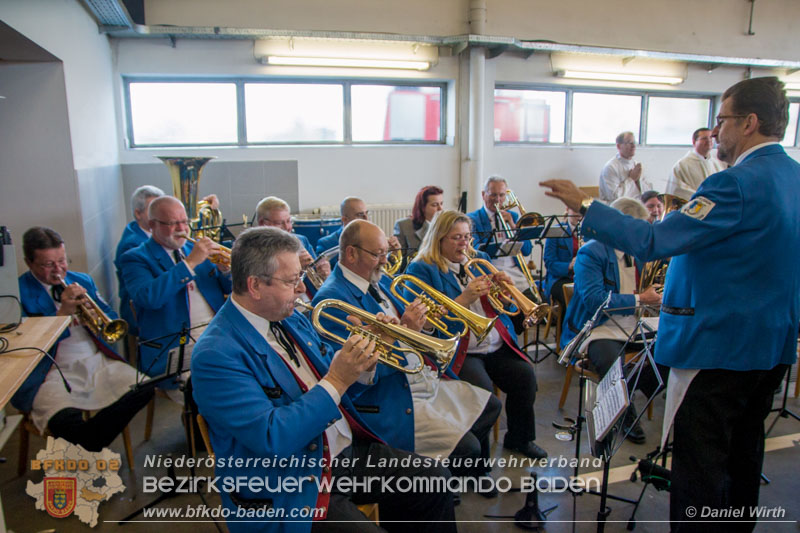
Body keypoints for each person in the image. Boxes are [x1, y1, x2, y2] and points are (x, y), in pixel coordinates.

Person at [541, 76, 798, 532]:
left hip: (717, 349)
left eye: (722, 121)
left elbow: (656, 239)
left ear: (750, 122)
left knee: (700, 471)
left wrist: (585, 204)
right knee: (742, 457)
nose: (715, 132)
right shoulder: (794, 178)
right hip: (772, 347)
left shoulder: (732, 185)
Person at [191, 226, 456, 533]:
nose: (303, 289)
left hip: (340, 452)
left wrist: (372, 349)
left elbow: (338, 379)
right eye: (292, 281)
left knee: (434, 479)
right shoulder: (216, 353)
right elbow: (272, 438)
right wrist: (337, 379)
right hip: (289, 481)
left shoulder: (289, 316)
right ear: (254, 286)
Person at [312, 219, 501, 484]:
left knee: (491, 406)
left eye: (385, 253)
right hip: (390, 396)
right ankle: (435, 483)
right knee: (467, 447)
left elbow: (416, 333)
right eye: (377, 254)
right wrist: (405, 330)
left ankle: (446, 478)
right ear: (351, 253)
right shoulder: (332, 299)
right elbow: (355, 376)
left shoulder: (381, 280)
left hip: (420, 377)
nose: (384, 261)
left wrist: (421, 326)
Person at [406, 210, 547, 460]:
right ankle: (478, 464)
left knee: (526, 376)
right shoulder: (423, 269)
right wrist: (465, 298)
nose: (464, 243)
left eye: (467, 236)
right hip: (461, 348)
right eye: (456, 237)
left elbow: (504, 310)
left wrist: (506, 292)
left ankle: (520, 439)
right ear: (439, 238)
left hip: (494, 341)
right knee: (481, 394)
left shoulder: (479, 258)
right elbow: (427, 322)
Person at [13, 227, 153, 451]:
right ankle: (89, 441)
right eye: (48, 264)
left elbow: (112, 319)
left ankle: (89, 441)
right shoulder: (17, 293)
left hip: (94, 361)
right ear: (29, 263)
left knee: (145, 387)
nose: (59, 270)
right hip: (48, 372)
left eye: (62, 260)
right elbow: (27, 348)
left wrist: (95, 316)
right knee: (65, 420)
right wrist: (63, 315)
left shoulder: (82, 281)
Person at [560, 198, 665, 443]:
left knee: (672, 348)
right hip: (598, 327)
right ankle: (624, 413)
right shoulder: (591, 252)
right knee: (609, 360)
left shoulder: (639, 252)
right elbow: (594, 301)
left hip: (633, 322)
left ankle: (623, 388)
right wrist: (640, 298)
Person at [119, 196, 232, 378]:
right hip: (176, 349)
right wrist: (190, 263)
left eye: (184, 222)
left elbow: (229, 290)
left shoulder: (192, 248)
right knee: (215, 386)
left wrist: (226, 270)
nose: (181, 229)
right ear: (152, 224)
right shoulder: (135, 258)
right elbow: (149, 298)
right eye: (173, 223)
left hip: (218, 336)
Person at [467, 176, 538, 312]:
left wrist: (512, 225)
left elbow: (527, 250)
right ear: (483, 195)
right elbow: (474, 251)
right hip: (492, 271)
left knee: (533, 302)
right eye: (493, 195)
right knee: (511, 308)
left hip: (515, 271)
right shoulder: (472, 219)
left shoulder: (513, 216)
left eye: (501, 195)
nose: (498, 200)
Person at [256, 196, 330, 297]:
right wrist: (295, 266)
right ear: (262, 223)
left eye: (289, 221)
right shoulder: (253, 251)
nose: (287, 228)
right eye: (279, 223)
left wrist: (325, 275)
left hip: (311, 301)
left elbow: (319, 284)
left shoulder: (301, 241)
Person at [114, 185, 164, 334]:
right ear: (138, 213)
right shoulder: (132, 244)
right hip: (140, 311)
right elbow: (151, 291)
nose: (160, 216)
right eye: (153, 210)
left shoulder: (141, 229)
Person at [665, 127, 726, 201]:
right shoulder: (682, 165)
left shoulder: (716, 164)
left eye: (710, 138)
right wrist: (703, 199)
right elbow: (677, 190)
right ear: (694, 142)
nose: (709, 141)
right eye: (704, 138)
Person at [393, 185, 444, 270]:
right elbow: (398, 263)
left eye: (441, 203)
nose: (440, 209)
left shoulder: (446, 226)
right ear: (422, 207)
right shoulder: (403, 226)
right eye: (435, 205)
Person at [543, 206, 581, 315]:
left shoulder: (588, 233)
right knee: (572, 296)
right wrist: (569, 266)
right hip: (559, 278)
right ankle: (568, 330)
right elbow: (550, 263)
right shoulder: (556, 231)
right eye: (576, 209)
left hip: (581, 277)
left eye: (582, 211)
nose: (579, 214)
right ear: (568, 208)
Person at [598, 132, 653, 203]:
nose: (633, 146)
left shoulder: (636, 165)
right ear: (618, 146)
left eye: (634, 142)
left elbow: (648, 193)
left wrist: (637, 181)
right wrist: (631, 179)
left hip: (637, 206)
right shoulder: (610, 167)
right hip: (617, 208)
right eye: (629, 143)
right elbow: (615, 197)